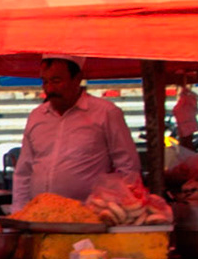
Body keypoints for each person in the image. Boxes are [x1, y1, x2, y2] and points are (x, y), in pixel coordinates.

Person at [10, 58, 141, 207]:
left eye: (56, 81)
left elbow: (128, 167)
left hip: (90, 216)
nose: (50, 89)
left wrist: (123, 209)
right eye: (45, 82)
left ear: (77, 79)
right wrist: (18, 212)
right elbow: (23, 172)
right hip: (40, 214)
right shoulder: (36, 116)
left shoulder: (106, 113)